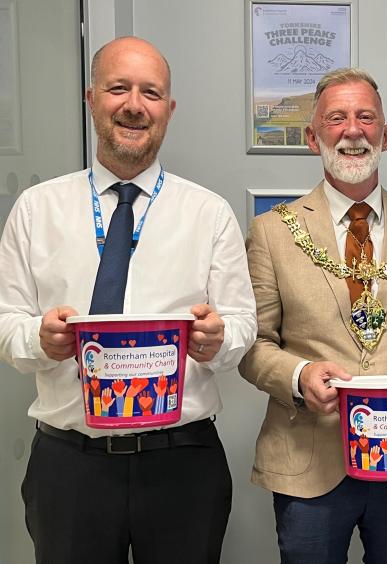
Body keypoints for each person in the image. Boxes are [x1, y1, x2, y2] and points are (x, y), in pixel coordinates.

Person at [0, 37, 257, 564]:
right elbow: (7, 326)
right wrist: (40, 339)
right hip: (70, 467)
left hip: (182, 462)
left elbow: (242, 325)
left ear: (169, 109)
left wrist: (219, 340)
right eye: (119, 88)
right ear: (92, 98)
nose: (134, 105)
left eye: (151, 92)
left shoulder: (208, 213)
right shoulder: (35, 208)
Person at [239, 67, 387, 564]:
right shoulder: (273, 232)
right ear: (313, 137)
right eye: (336, 119)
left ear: (386, 134)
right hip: (309, 461)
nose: (352, 130)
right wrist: (299, 375)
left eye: (365, 118)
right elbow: (253, 346)